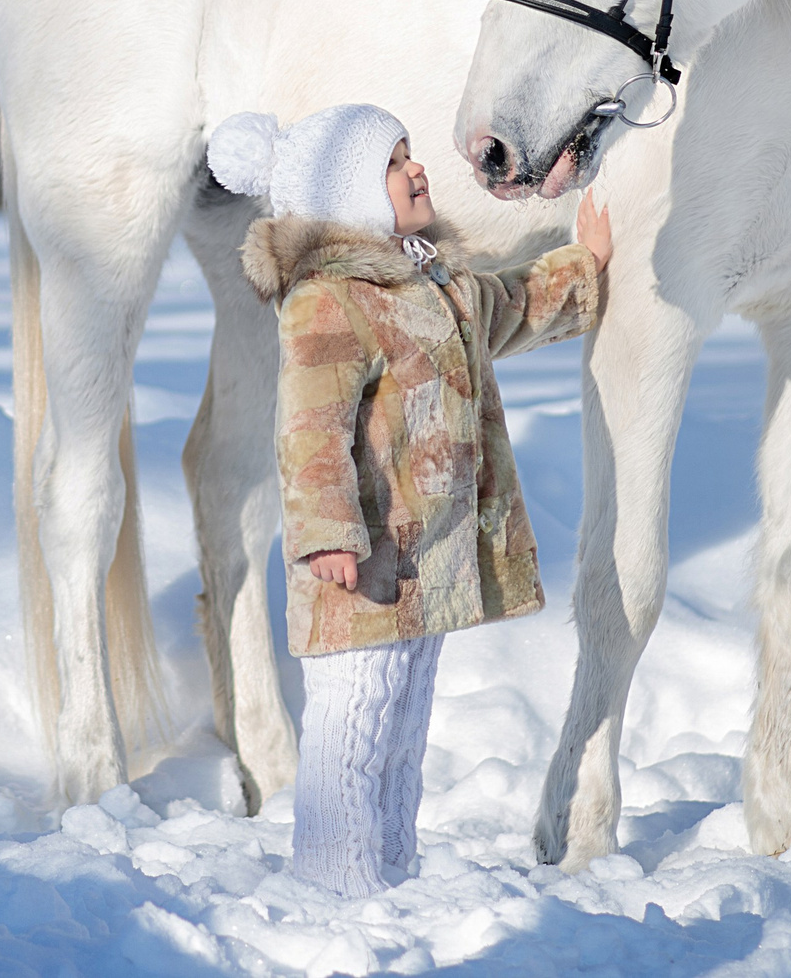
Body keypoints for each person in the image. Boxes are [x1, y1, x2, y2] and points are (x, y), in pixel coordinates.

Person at [207, 103, 611, 898]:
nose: (417, 169)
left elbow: (510, 306)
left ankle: (389, 869)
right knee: (353, 726)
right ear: (351, 195)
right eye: (395, 163)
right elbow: (309, 428)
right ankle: (333, 882)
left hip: (428, 563)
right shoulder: (331, 299)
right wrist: (327, 534)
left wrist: (582, 266)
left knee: (401, 728)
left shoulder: (436, 282)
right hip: (361, 566)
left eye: (408, 155)